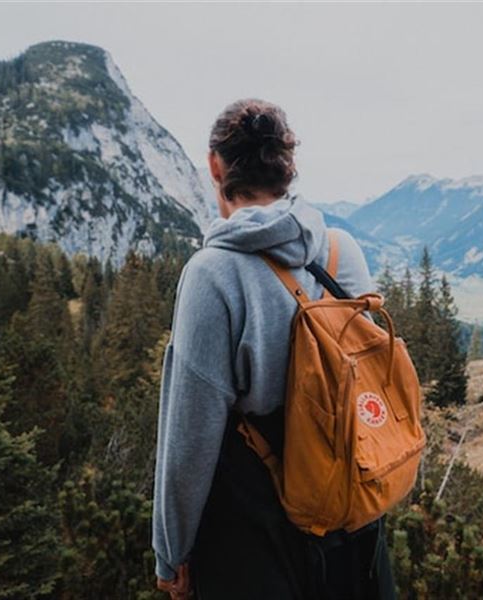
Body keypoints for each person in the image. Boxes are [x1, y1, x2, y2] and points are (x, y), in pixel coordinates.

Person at [152, 98, 395, 599]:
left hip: (255, 539)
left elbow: (189, 438)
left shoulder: (211, 274)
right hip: (352, 528)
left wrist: (170, 553)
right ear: (288, 169)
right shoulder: (338, 250)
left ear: (216, 166)